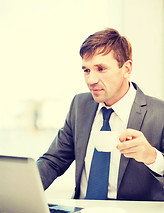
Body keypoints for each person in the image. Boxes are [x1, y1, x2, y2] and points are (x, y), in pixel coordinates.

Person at [37, 28, 164, 201]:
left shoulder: (159, 113)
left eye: (101, 68)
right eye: (86, 70)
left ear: (126, 69)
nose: (91, 80)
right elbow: (53, 161)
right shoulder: (79, 105)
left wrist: (153, 157)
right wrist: (18, 192)